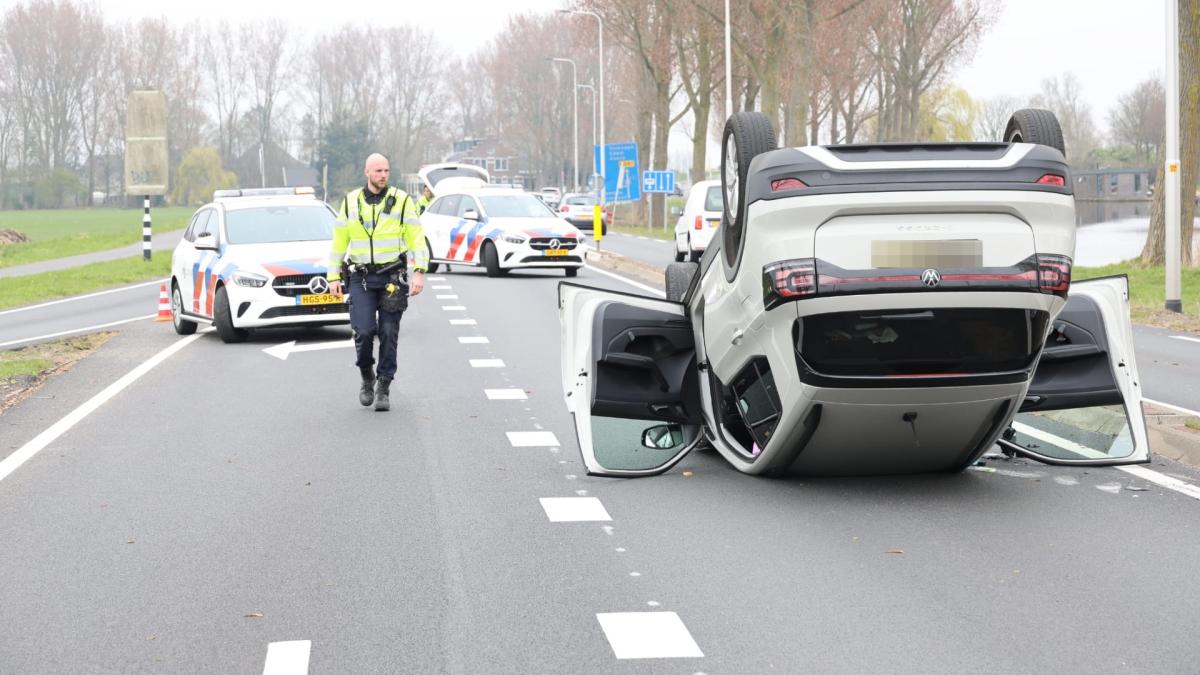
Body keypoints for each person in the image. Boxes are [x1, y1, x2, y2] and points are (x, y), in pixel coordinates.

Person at [328, 153, 427, 411]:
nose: (383, 175)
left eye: (386, 170)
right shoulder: (350, 203)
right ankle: (366, 375)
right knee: (363, 331)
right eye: (378, 171)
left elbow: (416, 237)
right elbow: (339, 242)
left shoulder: (402, 201)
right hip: (361, 278)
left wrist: (419, 271)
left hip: (391, 277)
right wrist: (332, 276)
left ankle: (383, 384)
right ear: (367, 172)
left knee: (388, 332)